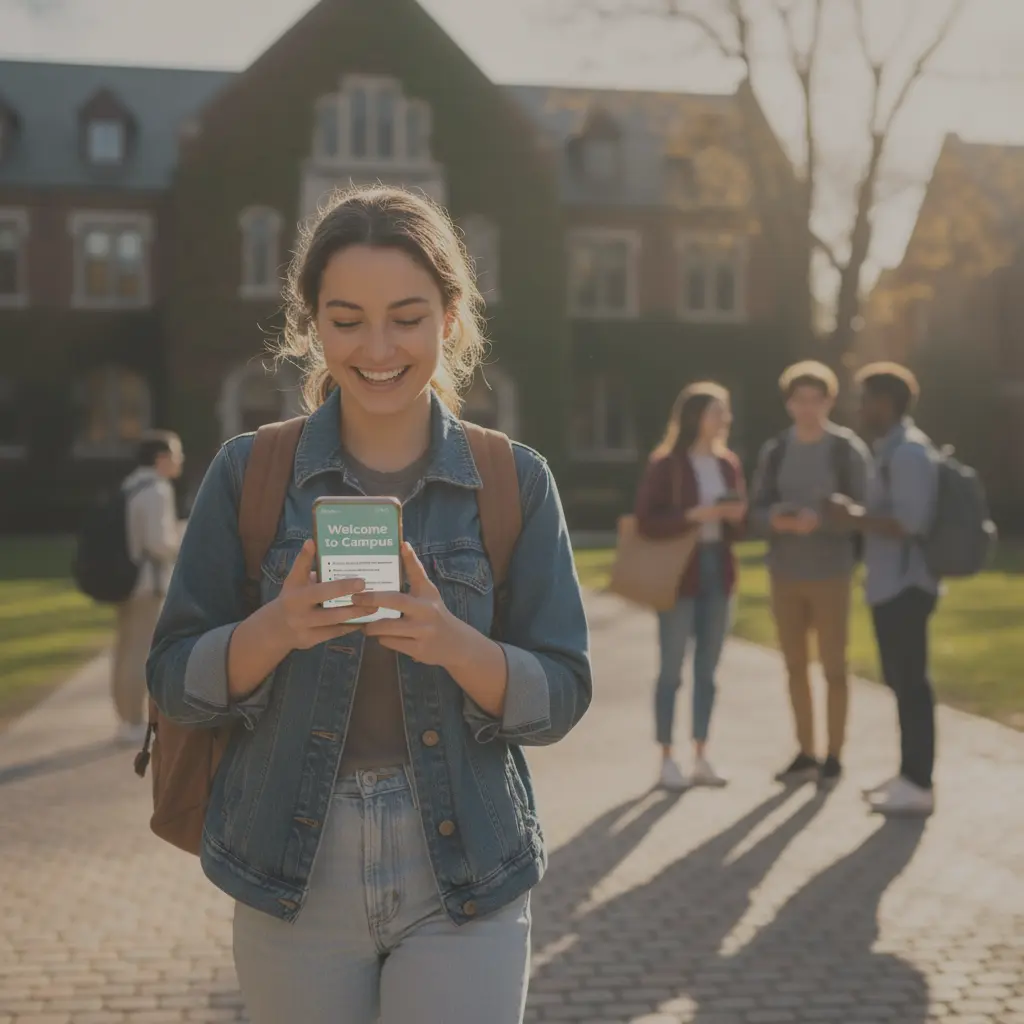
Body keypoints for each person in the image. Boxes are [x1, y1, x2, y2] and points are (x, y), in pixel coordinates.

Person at [146, 186, 592, 1024]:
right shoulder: (249, 473)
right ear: (312, 323)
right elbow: (172, 679)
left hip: (468, 873)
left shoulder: (514, 480)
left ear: (451, 318)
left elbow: (562, 692)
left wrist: (455, 644)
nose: (378, 347)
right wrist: (275, 629)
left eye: (408, 317)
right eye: (346, 319)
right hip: (291, 873)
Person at [824, 363, 938, 817]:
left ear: (886, 403)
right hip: (890, 585)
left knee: (912, 684)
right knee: (901, 681)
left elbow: (909, 523)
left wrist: (851, 517)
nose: (859, 407)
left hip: (907, 585)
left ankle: (919, 782)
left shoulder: (909, 453)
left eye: (864, 398)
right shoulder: (890, 449)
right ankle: (909, 774)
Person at [750, 361, 870, 789]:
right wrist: (778, 522)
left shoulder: (846, 449)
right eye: (799, 399)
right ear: (789, 403)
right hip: (785, 573)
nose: (807, 407)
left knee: (835, 667)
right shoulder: (776, 450)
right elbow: (756, 509)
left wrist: (823, 521)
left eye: (816, 399)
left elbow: (864, 512)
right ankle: (806, 751)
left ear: (829, 401)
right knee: (795, 666)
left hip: (832, 573)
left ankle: (834, 756)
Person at [634, 382, 747, 792]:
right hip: (679, 574)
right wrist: (697, 514)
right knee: (671, 669)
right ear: (698, 416)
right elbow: (647, 519)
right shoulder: (667, 465)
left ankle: (701, 754)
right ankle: (666, 758)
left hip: (720, 569)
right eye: (719, 411)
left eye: (726, 412)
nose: (725, 419)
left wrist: (734, 515)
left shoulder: (728, 464)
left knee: (708, 669)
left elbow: (742, 526)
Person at [112, 430, 183, 744]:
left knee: (125, 649)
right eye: (176, 454)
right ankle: (133, 722)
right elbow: (158, 543)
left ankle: (124, 718)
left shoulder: (130, 484)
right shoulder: (157, 489)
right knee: (140, 652)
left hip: (126, 580)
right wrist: (181, 538)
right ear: (161, 458)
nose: (180, 460)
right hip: (148, 584)